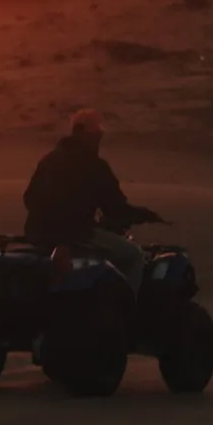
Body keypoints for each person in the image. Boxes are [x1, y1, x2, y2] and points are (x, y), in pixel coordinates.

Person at [23, 109, 163, 294]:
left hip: (39, 233)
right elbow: (116, 208)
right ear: (86, 134)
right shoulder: (94, 165)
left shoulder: (49, 160)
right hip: (76, 234)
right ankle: (129, 310)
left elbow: (29, 197)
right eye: (96, 133)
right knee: (134, 255)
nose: (98, 138)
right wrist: (145, 214)